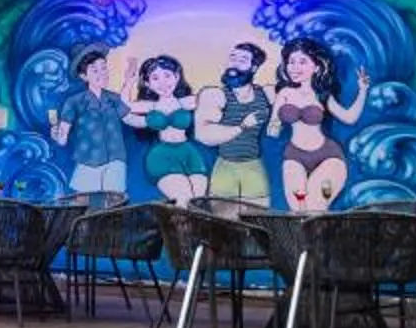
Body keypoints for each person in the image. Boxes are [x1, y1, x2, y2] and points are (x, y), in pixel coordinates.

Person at [275, 36, 368, 210]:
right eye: (291, 62)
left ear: (316, 67)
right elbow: (273, 125)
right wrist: (273, 125)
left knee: (315, 206)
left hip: (328, 156)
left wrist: (362, 91)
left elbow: (350, 118)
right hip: (294, 156)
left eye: (302, 62)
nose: (295, 67)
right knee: (298, 209)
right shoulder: (284, 93)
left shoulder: (322, 95)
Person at [122, 54, 210, 206]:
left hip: (189, 154)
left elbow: (212, 97)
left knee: (197, 202)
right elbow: (124, 106)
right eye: (155, 78)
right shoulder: (150, 106)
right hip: (162, 156)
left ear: (177, 77)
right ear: (148, 84)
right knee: (183, 199)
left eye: (167, 75)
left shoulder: (186, 102)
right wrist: (130, 80)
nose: (163, 83)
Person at [194, 41, 275, 206]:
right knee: (224, 225)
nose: (234, 64)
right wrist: (242, 126)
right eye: (232, 58)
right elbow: (203, 135)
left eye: (243, 60)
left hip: (254, 166)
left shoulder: (266, 93)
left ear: (253, 68)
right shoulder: (214, 95)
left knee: (258, 223)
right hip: (225, 166)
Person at [49, 46, 130, 196]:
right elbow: (62, 139)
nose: (102, 74)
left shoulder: (113, 98)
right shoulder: (74, 102)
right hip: (87, 161)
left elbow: (130, 118)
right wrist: (56, 134)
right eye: (95, 70)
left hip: (116, 160)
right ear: (83, 76)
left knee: (114, 205)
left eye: (104, 68)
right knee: (84, 206)